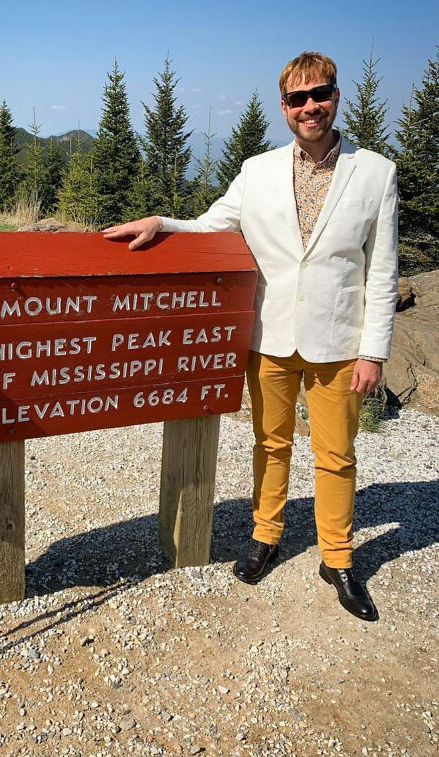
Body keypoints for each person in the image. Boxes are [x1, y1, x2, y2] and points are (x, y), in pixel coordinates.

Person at [104, 52, 398, 621]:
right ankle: (266, 535)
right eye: (298, 98)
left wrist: (374, 350)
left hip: (340, 340)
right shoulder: (257, 170)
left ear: (336, 97)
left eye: (321, 94)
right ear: (284, 107)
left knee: (337, 455)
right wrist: (162, 224)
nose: (310, 106)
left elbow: (381, 270)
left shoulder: (377, 172)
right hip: (269, 335)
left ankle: (337, 558)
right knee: (270, 443)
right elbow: (211, 225)